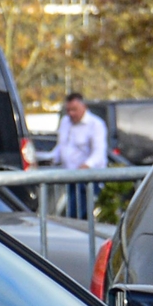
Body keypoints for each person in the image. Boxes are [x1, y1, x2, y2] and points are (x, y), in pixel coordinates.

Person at [48, 92, 108, 220]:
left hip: (88, 180)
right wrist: (48, 158)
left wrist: (86, 165)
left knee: (76, 215)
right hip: (69, 178)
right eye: (68, 110)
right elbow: (61, 146)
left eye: (74, 110)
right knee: (72, 214)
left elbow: (99, 152)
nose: (71, 113)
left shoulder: (96, 124)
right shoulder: (65, 122)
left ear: (84, 107)